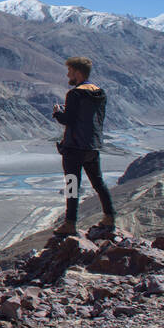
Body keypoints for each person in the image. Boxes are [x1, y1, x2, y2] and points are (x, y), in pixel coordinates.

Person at [51, 55, 114, 235]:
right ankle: (109, 217)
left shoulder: (74, 93)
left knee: (72, 184)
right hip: (92, 146)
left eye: (70, 71)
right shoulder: (99, 93)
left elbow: (68, 120)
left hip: (74, 147)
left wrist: (58, 113)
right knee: (99, 183)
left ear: (78, 73)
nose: (68, 75)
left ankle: (70, 223)